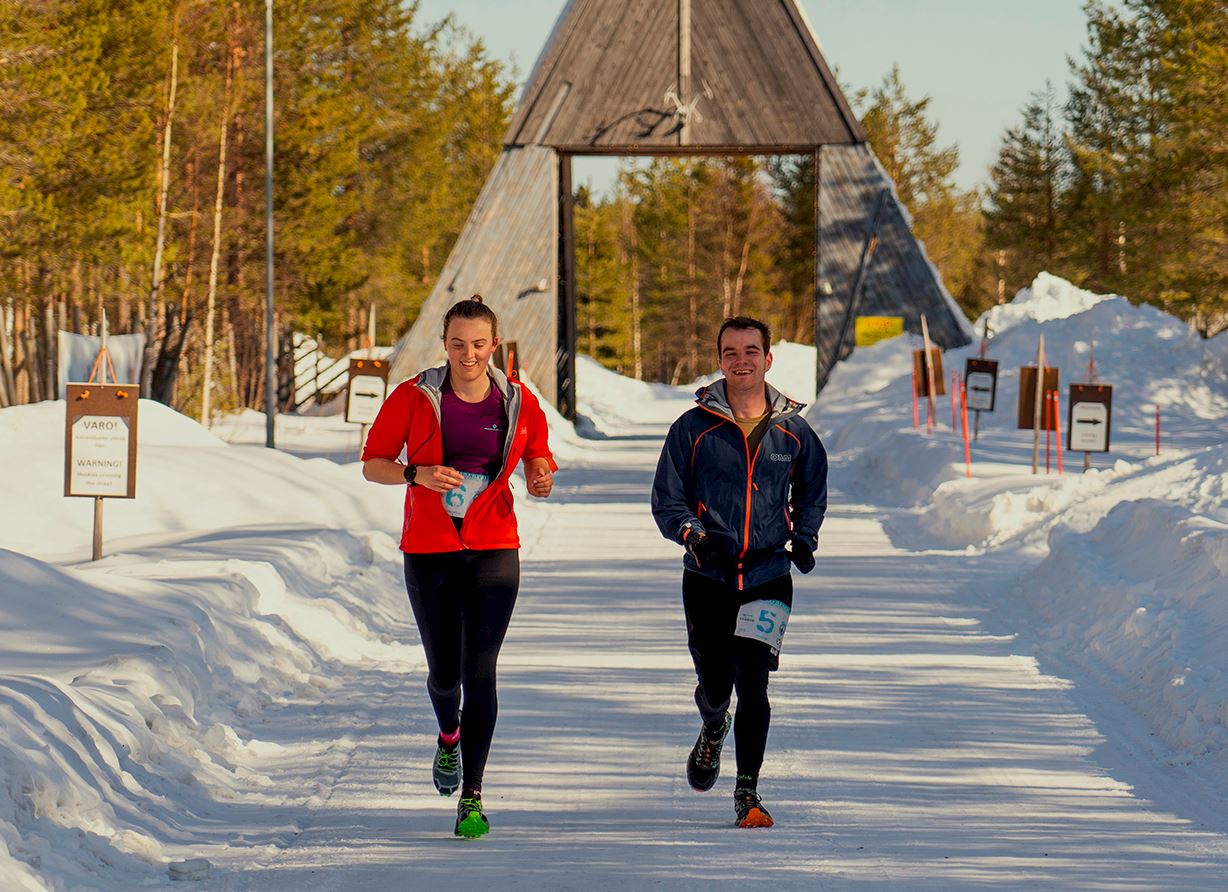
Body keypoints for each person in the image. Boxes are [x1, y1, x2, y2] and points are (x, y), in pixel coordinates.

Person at [362, 295, 556, 839]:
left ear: (494, 345)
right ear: (444, 345)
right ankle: (448, 734)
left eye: (478, 344)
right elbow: (374, 463)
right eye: (457, 344)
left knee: (481, 671)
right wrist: (414, 475)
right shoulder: (414, 395)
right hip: (429, 549)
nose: (468, 354)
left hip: (495, 548)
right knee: (445, 676)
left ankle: (471, 796)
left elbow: (538, 452)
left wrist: (540, 474)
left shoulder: (518, 400)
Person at [651, 316, 827, 828]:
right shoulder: (693, 427)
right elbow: (668, 498)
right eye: (731, 352)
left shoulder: (794, 431)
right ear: (720, 358)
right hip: (708, 576)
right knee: (715, 682)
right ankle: (711, 724)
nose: (741, 360)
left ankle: (747, 792)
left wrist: (806, 536)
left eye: (752, 351)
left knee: (754, 684)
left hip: (769, 576)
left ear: (768, 359)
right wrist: (694, 535)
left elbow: (812, 490)